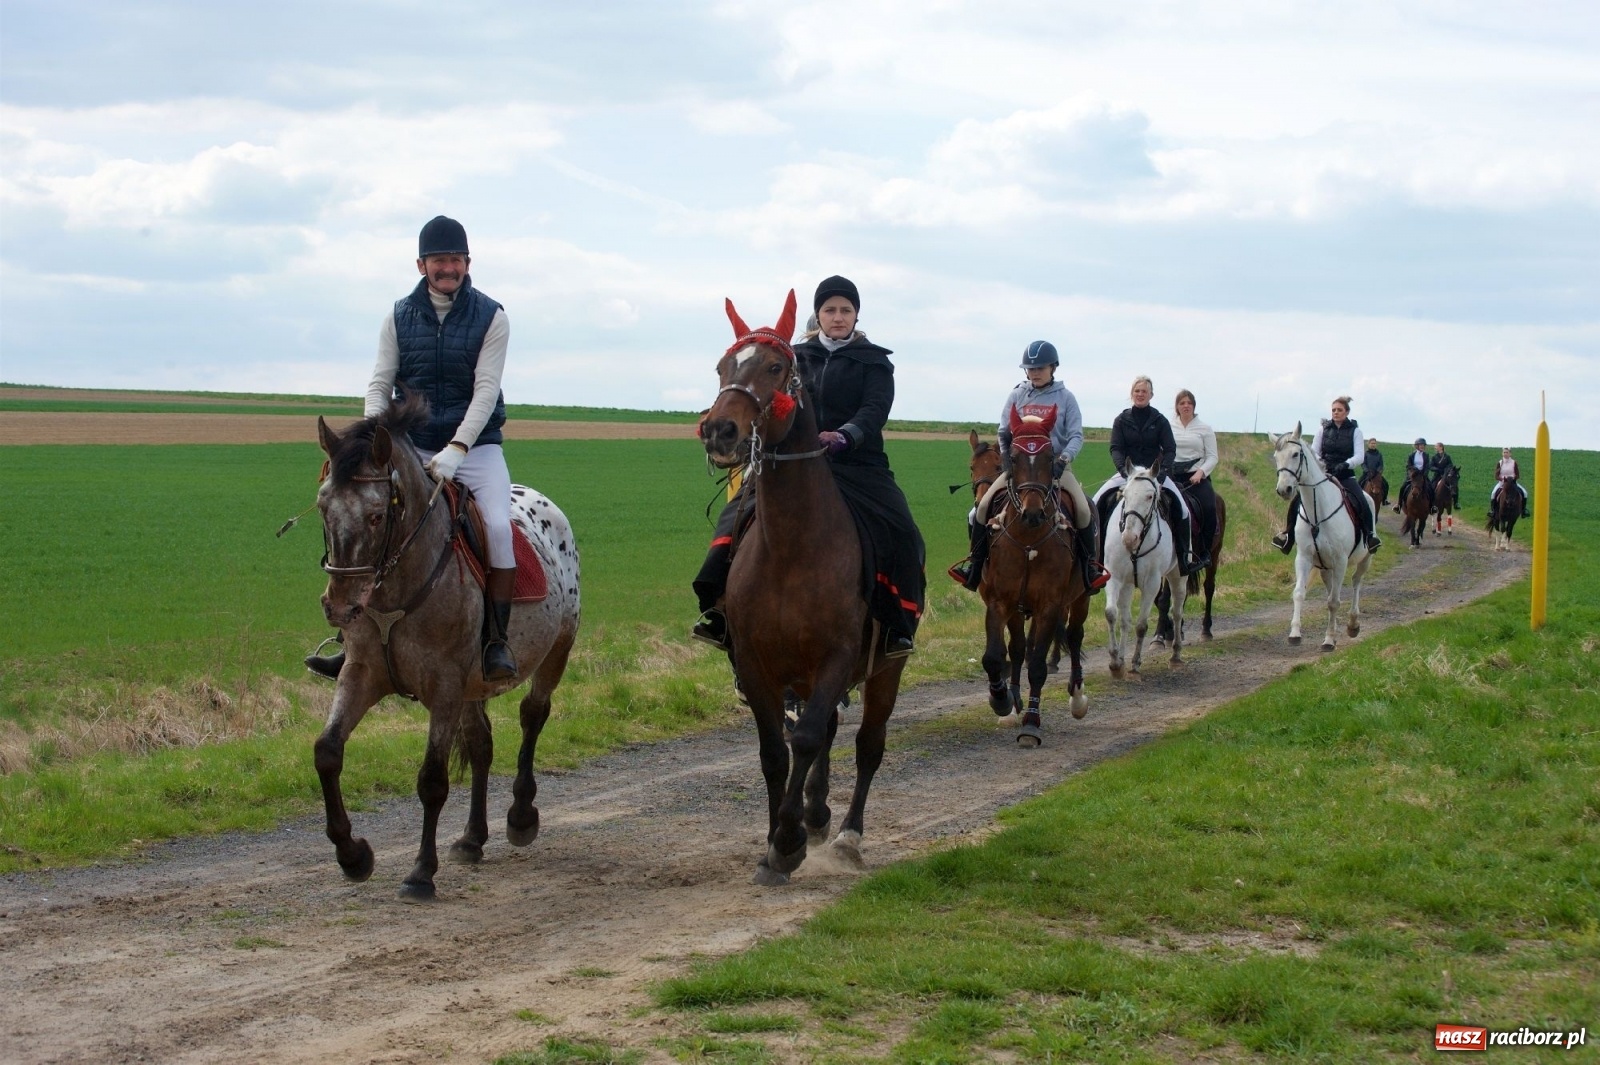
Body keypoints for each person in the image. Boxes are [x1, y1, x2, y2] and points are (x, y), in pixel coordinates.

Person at [306, 215, 519, 683]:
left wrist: (459, 447)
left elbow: (486, 390)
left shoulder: (493, 316)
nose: (449, 267)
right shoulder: (398, 316)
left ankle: (495, 642)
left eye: (456, 259)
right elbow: (380, 383)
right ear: (421, 265)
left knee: (500, 530)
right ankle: (351, 643)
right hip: (410, 445)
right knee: (370, 520)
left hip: (477, 448)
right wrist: (373, 438)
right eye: (439, 260)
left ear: (468, 263)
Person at [692, 275, 926, 659]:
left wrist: (845, 435)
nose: (837, 317)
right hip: (793, 462)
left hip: (857, 464)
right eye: (830, 309)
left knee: (903, 530)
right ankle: (718, 611)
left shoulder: (875, 362)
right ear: (818, 315)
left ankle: (898, 625)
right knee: (732, 518)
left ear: (855, 315)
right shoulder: (795, 357)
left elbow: (874, 411)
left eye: (845, 310)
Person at [949, 341, 1109, 595]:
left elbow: (1076, 435)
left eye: (1040, 368)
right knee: (978, 512)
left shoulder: (1066, 398)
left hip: (1054, 467)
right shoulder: (1017, 395)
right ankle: (975, 565)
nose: (1034, 372)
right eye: (1030, 368)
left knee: (1083, 509)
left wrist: (1063, 460)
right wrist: (1007, 462)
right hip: (1019, 470)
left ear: (1053, 367)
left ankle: (1089, 569)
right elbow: (1003, 432)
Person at [1091, 376, 1204, 576]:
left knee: (1183, 509)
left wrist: (1160, 475)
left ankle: (1184, 559)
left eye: (1144, 391)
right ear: (1132, 394)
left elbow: (1170, 449)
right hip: (1128, 475)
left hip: (1154, 475)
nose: (1140, 394)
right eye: (1137, 391)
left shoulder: (1159, 421)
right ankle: (1095, 562)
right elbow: (1116, 448)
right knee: (1096, 502)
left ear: (1151, 395)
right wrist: (1124, 471)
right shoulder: (1121, 420)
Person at [1272, 395, 1380, 554]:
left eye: (1339, 410)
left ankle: (1370, 536)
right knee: (1297, 501)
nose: (1336, 413)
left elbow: (1359, 456)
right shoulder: (1323, 429)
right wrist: (1322, 463)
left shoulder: (1355, 431)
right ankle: (1288, 536)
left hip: (1345, 476)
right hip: (1324, 474)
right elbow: (1314, 452)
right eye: (1334, 410)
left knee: (1361, 500)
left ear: (1347, 412)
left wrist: (1345, 464)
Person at [1171, 389, 1220, 571]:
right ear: (1177, 406)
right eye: (1182, 403)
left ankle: (1206, 551)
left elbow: (1213, 456)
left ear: (1194, 406)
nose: (1186, 406)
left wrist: (1201, 472)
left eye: (1189, 403)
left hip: (1195, 477)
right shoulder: (1168, 426)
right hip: (1173, 476)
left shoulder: (1205, 429)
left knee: (1209, 506)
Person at [1489, 446, 1530, 518]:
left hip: (1513, 483)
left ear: (1510, 454)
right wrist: (1503, 479)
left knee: (1525, 493)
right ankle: (1493, 511)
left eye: (1507, 452)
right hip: (1502, 483)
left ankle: (1523, 511)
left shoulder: (1514, 463)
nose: (1505, 454)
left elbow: (1517, 475)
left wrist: (1513, 479)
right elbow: (1496, 476)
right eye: (1504, 452)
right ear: (1502, 453)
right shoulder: (1500, 463)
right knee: (1493, 493)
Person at [1395, 437, 1432, 513]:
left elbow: (1427, 466)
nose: (1422, 446)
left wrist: (1424, 474)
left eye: (1423, 445)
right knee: (1403, 487)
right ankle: (1398, 505)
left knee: (1431, 489)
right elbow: (1408, 466)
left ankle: (1432, 507)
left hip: (1422, 476)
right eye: (1421, 445)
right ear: (1417, 446)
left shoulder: (1426, 455)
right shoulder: (1411, 455)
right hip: (1413, 476)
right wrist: (1413, 472)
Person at [1361, 437, 1387, 504]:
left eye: (1374, 443)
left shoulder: (1379, 454)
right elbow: (1363, 464)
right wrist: (1367, 471)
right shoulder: (1366, 454)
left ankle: (1384, 500)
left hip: (1377, 475)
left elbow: (1381, 465)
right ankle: (1359, 499)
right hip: (1367, 474)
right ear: (1368, 444)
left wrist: (1378, 471)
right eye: (1372, 443)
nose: (1373, 445)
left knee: (1386, 484)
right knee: (1359, 484)